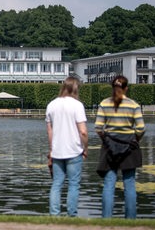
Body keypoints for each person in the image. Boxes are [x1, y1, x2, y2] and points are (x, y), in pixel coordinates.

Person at [95, 75, 145, 219]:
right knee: (129, 184)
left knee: (109, 184)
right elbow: (141, 128)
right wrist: (135, 140)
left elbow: (98, 128)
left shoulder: (104, 104)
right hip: (129, 146)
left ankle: (106, 219)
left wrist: (106, 141)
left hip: (110, 147)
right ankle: (130, 220)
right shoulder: (133, 105)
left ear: (113, 87)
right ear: (126, 88)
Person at [45, 76, 88, 217]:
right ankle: (72, 215)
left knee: (57, 184)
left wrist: (51, 150)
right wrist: (85, 148)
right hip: (74, 150)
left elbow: (50, 131)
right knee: (74, 184)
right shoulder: (77, 105)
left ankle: (54, 215)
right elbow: (83, 131)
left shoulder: (51, 105)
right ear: (75, 89)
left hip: (57, 151)